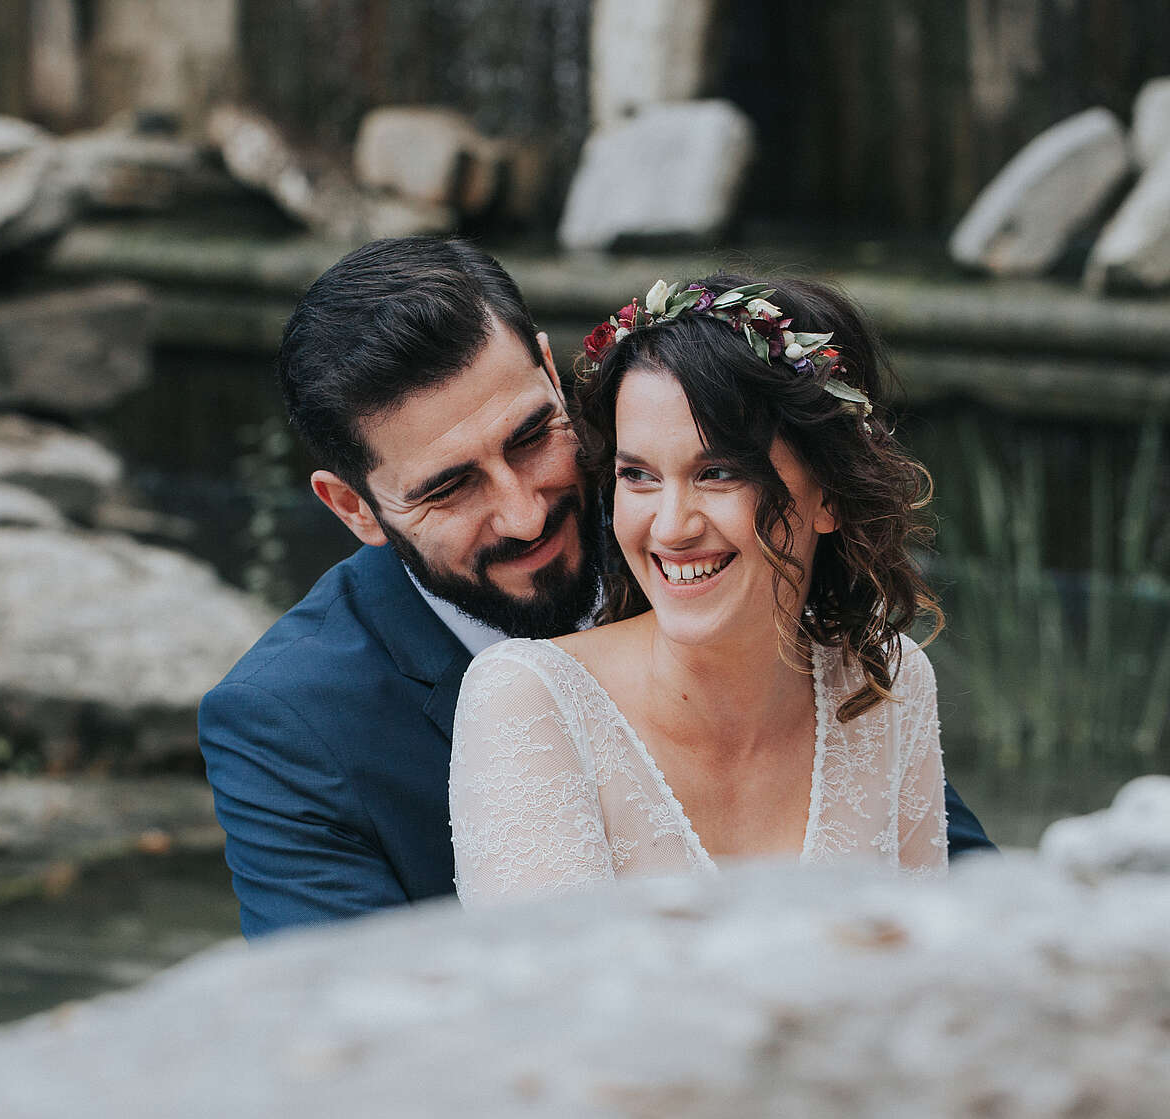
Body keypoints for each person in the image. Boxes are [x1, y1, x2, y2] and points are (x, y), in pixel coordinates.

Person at [199, 240, 990, 938]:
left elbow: (942, 870)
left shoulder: (697, 532)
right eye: (450, 489)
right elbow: (359, 1046)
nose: (525, 510)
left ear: (551, 372)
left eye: (531, 435)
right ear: (352, 507)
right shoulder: (289, 721)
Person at [451, 274, 947, 900]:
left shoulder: (891, 686)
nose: (670, 527)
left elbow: (929, 966)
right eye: (639, 475)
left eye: (716, 473)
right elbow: (550, 990)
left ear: (829, 495)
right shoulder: (531, 699)